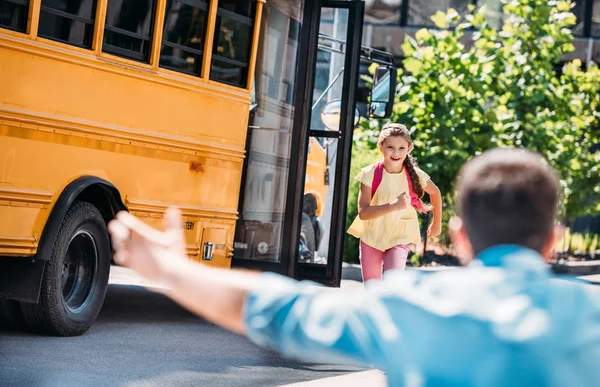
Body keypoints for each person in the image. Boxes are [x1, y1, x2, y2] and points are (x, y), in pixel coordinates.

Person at [108, 148, 600, 386]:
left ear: (461, 239)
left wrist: (171, 270)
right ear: (553, 242)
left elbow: (278, 311)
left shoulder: (409, 305)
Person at [347, 123, 442, 281]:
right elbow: (363, 213)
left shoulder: (415, 175)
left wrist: (437, 223)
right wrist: (393, 206)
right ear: (381, 146)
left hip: (399, 236)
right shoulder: (369, 174)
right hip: (371, 237)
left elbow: (435, 192)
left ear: (409, 148)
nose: (396, 153)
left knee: (393, 284)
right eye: (390, 147)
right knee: (373, 289)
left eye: (401, 148)